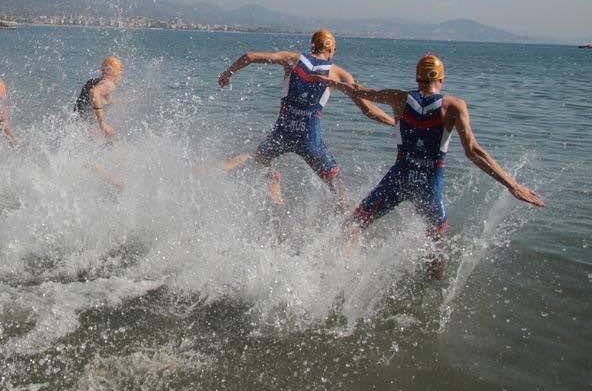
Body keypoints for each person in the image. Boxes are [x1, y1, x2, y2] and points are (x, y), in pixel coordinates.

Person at [320, 55, 543, 278]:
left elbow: (359, 91)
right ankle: (433, 292)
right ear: (442, 79)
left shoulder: (398, 98)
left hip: (398, 178)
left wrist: (332, 83)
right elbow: (474, 151)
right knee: (436, 246)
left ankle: (337, 273)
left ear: (417, 78)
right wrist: (512, 185)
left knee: (353, 225)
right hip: (429, 185)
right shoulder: (454, 106)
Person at [214, 30, 394, 208]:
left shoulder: (292, 59)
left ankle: (276, 191)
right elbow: (368, 110)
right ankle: (346, 223)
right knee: (337, 186)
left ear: (312, 46)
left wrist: (228, 74)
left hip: (282, 133)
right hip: (310, 141)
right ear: (332, 50)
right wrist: (395, 122)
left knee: (260, 160)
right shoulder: (339, 75)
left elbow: (249, 56)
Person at [74, 56, 126, 140]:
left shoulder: (98, 81)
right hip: (88, 126)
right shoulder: (109, 84)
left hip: (78, 124)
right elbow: (94, 92)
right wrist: (102, 123)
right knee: (113, 136)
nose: (121, 74)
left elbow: (105, 101)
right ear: (115, 72)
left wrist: (130, 101)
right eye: (121, 70)